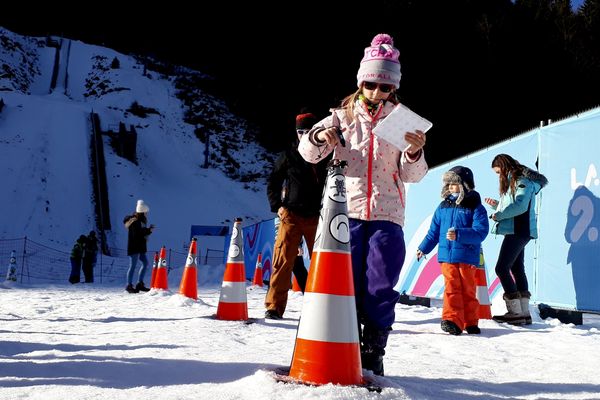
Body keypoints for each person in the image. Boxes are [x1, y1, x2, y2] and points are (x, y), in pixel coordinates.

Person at [298, 33, 427, 376]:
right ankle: (347, 343)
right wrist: (318, 136)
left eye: (384, 88)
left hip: (388, 215)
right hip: (344, 214)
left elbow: (413, 175)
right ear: (361, 81)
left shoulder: (403, 120)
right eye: (371, 84)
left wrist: (414, 152)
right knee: (346, 285)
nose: (376, 93)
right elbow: (308, 154)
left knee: (381, 284)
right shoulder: (340, 117)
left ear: (393, 89)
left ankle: (374, 349)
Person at [264, 111, 330, 319]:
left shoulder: (326, 153)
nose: (304, 135)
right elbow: (274, 181)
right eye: (300, 131)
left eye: (308, 131)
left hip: (317, 216)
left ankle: (325, 307)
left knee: (323, 262)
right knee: (283, 260)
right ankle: (274, 306)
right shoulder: (289, 155)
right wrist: (278, 207)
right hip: (291, 215)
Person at [416, 166, 489, 335]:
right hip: (447, 257)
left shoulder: (475, 207)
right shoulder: (442, 207)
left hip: (467, 256)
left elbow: (481, 232)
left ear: (465, 185)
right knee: (452, 287)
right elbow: (433, 232)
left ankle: (471, 322)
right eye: (448, 183)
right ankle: (452, 320)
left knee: (468, 290)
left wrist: (459, 234)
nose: (450, 187)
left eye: (454, 183)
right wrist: (423, 248)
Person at [485, 154, 548, 325]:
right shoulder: (516, 181)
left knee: (501, 268)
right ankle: (524, 313)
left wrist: (498, 215)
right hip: (518, 229)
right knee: (516, 268)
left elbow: (520, 206)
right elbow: (513, 204)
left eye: (499, 172)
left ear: (505, 167)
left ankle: (515, 312)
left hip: (519, 230)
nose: (499, 176)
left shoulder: (523, 181)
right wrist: (496, 205)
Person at [123, 199, 155, 293]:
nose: (146, 214)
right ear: (142, 212)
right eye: (145, 212)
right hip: (135, 247)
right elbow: (137, 234)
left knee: (145, 263)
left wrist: (148, 230)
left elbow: (140, 232)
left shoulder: (139, 221)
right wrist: (148, 231)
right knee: (133, 266)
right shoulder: (135, 222)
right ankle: (129, 285)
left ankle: (139, 284)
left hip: (139, 247)